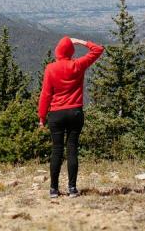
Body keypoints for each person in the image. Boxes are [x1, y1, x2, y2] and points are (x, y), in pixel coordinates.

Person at [38, 36, 104, 198]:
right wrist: (81, 42)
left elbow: (45, 94)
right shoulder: (78, 65)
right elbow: (98, 49)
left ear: (57, 51)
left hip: (56, 114)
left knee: (57, 150)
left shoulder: (50, 68)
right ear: (71, 51)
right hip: (75, 112)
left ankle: (53, 189)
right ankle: (72, 188)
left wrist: (41, 117)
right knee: (72, 149)